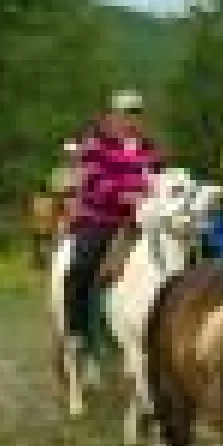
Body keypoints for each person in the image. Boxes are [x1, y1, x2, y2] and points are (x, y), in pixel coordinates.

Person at [63, 90, 162, 384]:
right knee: (82, 265)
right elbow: (94, 182)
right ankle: (77, 331)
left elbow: (161, 178)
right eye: (125, 113)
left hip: (143, 220)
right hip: (102, 219)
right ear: (111, 116)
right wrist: (123, 195)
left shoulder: (150, 148)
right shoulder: (95, 146)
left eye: (136, 113)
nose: (131, 119)